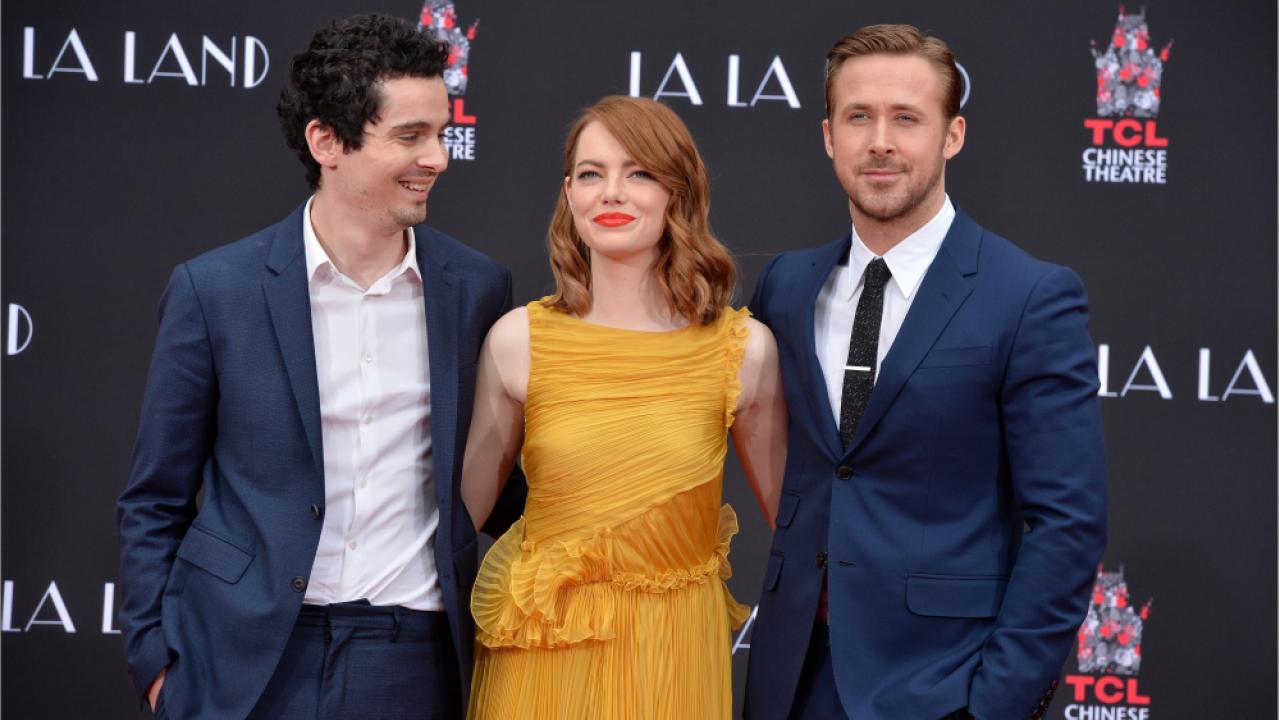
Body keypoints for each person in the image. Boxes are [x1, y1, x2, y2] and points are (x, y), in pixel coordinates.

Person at [116, 14, 523, 719]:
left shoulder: (477, 290)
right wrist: (157, 664)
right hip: (242, 661)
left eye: (440, 131)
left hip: (416, 660)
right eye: (410, 136)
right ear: (326, 141)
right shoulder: (217, 291)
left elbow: (504, 483)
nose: (440, 156)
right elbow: (155, 499)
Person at [744, 24, 1107, 720]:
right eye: (859, 117)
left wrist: (995, 701)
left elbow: (1067, 523)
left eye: (906, 118)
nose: (880, 140)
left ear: (953, 135)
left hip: (943, 686)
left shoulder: (1028, 295)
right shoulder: (787, 286)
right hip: (788, 682)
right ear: (828, 136)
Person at [459, 95, 787, 719]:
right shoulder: (516, 342)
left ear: (677, 193)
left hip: (673, 662)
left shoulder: (743, 352)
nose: (612, 192)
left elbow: (795, 528)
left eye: (638, 173)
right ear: (569, 195)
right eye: (591, 173)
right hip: (543, 661)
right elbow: (458, 523)